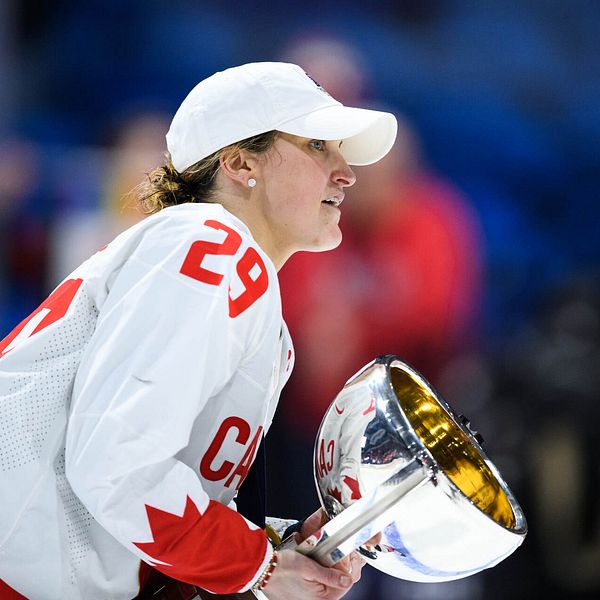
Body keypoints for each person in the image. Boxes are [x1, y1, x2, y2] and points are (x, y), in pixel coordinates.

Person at [0, 62, 397, 600]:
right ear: (238, 163)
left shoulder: (229, 278)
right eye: (317, 146)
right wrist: (256, 564)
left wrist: (273, 547)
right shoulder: (213, 248)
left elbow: (146, 481)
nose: (346, 172)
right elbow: (118, 466)